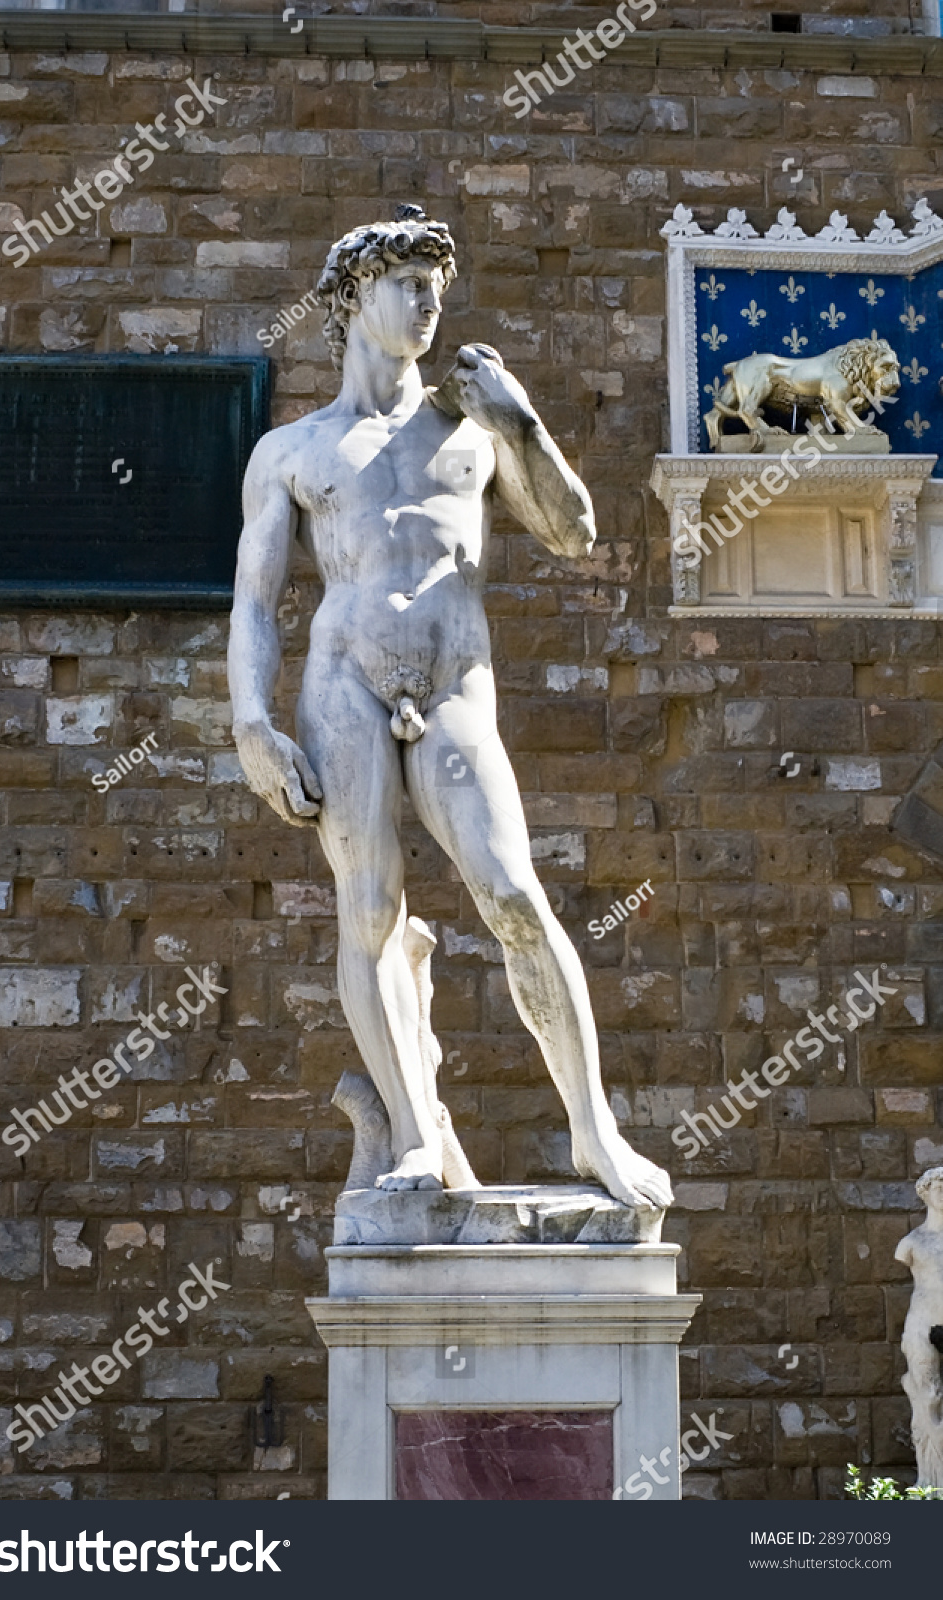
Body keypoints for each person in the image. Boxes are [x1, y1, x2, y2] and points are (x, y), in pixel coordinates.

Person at [227, 206, 672, 1210]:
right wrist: (251, 723)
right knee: (370, 904)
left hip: (455, 688)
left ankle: (593, 1132)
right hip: (342, 687)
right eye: (406, 283)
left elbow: (572, 531)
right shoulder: (293, 451)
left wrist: (520, 419)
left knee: (513, 893)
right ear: (352, 300)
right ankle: (415, 1138)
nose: (428, 301)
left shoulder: (471, 428)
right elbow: (255, 601)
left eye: (435, 283)